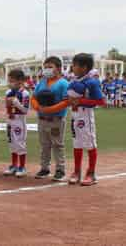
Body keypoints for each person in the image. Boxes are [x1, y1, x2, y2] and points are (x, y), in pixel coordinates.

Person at [67, 53, 105, 186]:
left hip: (86, 116)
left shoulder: (91, 82)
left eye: (75, 64)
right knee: (76, 144)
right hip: (74, 115)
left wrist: (80, 101)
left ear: (84, 67)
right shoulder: (74, 81)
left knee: (89, 144)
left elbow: (100, 101)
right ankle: (76, 172)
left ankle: (91, 173)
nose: (73, 67)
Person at [31, 56, 69, 181]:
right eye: (45, 67)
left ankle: (60, 170)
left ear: (58, 68)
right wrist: (37, 106)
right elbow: (34, 97)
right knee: (44, 145)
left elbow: (66, 101)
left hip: (56, 120)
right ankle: (45, 168)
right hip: (42, 119)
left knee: (57, 144)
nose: (47, 70)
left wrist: (50, 110)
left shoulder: (63, 83)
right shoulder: (42, 82)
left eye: (50, 67)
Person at [3, 69, 30, 178]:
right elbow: (7, 106)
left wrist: (16, 102)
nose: (10, 83)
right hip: (10, 119)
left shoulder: (25, 93)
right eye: (9, 81)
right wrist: (8, 103)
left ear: (20, 81)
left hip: (19, 120)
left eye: (12, 81)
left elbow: (25, 110)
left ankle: (22, 167)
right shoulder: (8, 92)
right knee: (12, 143)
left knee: (19, 143)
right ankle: (14, 165)